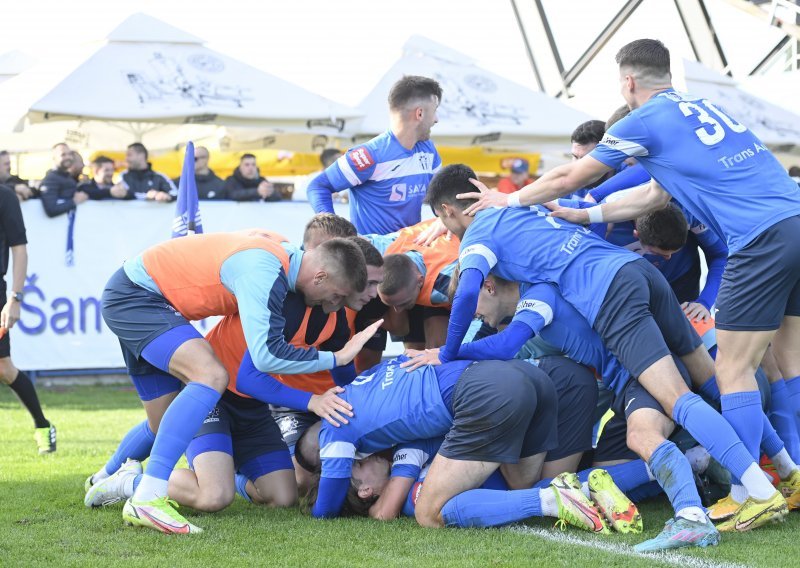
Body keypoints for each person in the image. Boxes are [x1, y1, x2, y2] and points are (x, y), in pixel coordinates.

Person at [459, 38, 800, 525]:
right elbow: (654, 194)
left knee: (733, 372)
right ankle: (791, 476)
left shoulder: (640, 119)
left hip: (757, 237)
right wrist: (587, 216)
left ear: (628, 82)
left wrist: (509, 201)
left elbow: (568, 177)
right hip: (794, 219)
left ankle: (751, 493)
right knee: (789, 364)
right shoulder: (702, 107)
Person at [419, 163, 793, 535]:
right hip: (637, 272)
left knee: (659, 418)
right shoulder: (518, 207)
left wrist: (450, 352)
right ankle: (785, 469)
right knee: (709, 383)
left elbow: (483, 313)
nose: (481, 314)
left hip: (611, 299)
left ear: (448, 211)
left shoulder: (516, 272)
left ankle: (731, 500)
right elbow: (574, 193)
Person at [99, 231, 377, 533]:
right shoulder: (270, 274)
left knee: (280, 494)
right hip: (139, 296)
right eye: (338, 295)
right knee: (211, 379)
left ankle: (106, 477)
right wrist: (333, 364)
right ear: (321, 276)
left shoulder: (292, 277)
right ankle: (143, 491)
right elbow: (263, 359)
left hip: (158, 308)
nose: (340, 303)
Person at [299, 355, 628, 535]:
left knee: (429, 511)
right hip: (525, 378)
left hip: (488, 391)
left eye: (348, 463)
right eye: (355, 465)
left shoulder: (336, 426)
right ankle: (648, 473)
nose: (360, 458)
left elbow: (334, 507)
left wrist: (371, 507)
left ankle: (547, 502)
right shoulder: (363, 389)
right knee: (532, 480)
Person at [307, 75, 442, 235]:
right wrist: (333, 233)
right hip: (374, 257)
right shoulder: (370, 155)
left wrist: (444, 218)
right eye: (435, 111)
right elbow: (318, 186)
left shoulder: (429, 150)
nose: (436, 119)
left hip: (410, 254)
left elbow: (439, 197)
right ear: (419, 114)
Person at [0, 184, 56, 454]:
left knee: (4, 369)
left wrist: (15, 298)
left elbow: (19, 249)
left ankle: (43, 425)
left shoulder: (5, 196)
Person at [39, 143, 89, 218]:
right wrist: (74, 201)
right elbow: (51, 209)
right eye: (63, 155)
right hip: (56, 227)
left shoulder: (67, 176)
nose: (68, 157)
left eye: (69, 154)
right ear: (54, 158)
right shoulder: (51, 179)